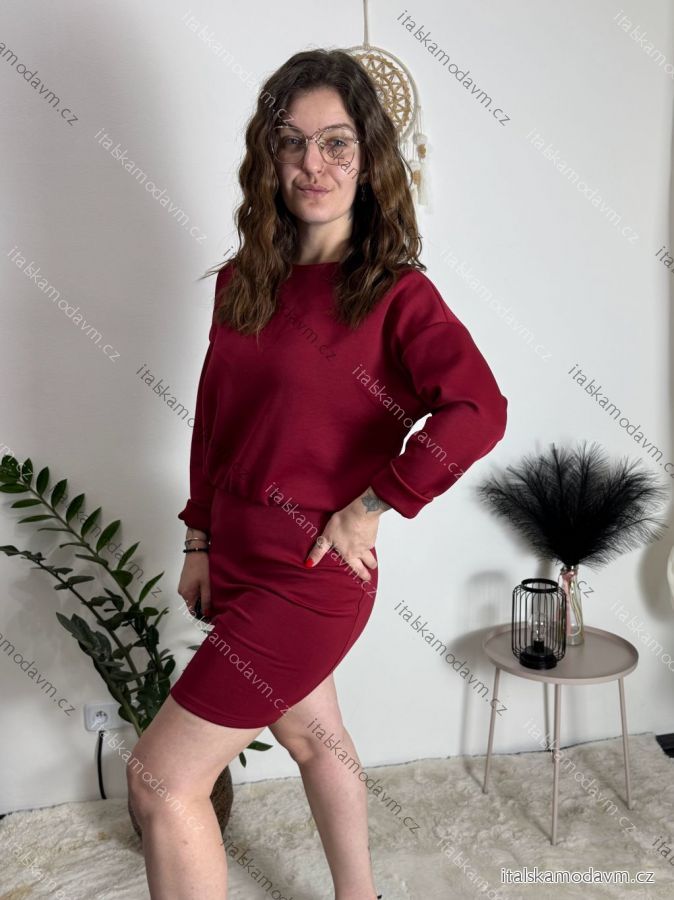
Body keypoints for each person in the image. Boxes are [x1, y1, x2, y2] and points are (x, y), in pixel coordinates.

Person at [128, 48, 508, 900]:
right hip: (238, 557)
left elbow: (478, 410)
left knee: (161, 782)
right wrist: (198, 541)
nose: (313, 164)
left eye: (337, 143)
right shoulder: (242, 283)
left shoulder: (397, 296)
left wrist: (373, 505)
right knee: (313, 736)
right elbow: (215, 420)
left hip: (310, 575)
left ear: (368, 160)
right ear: (269, 156)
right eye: (292, 142)